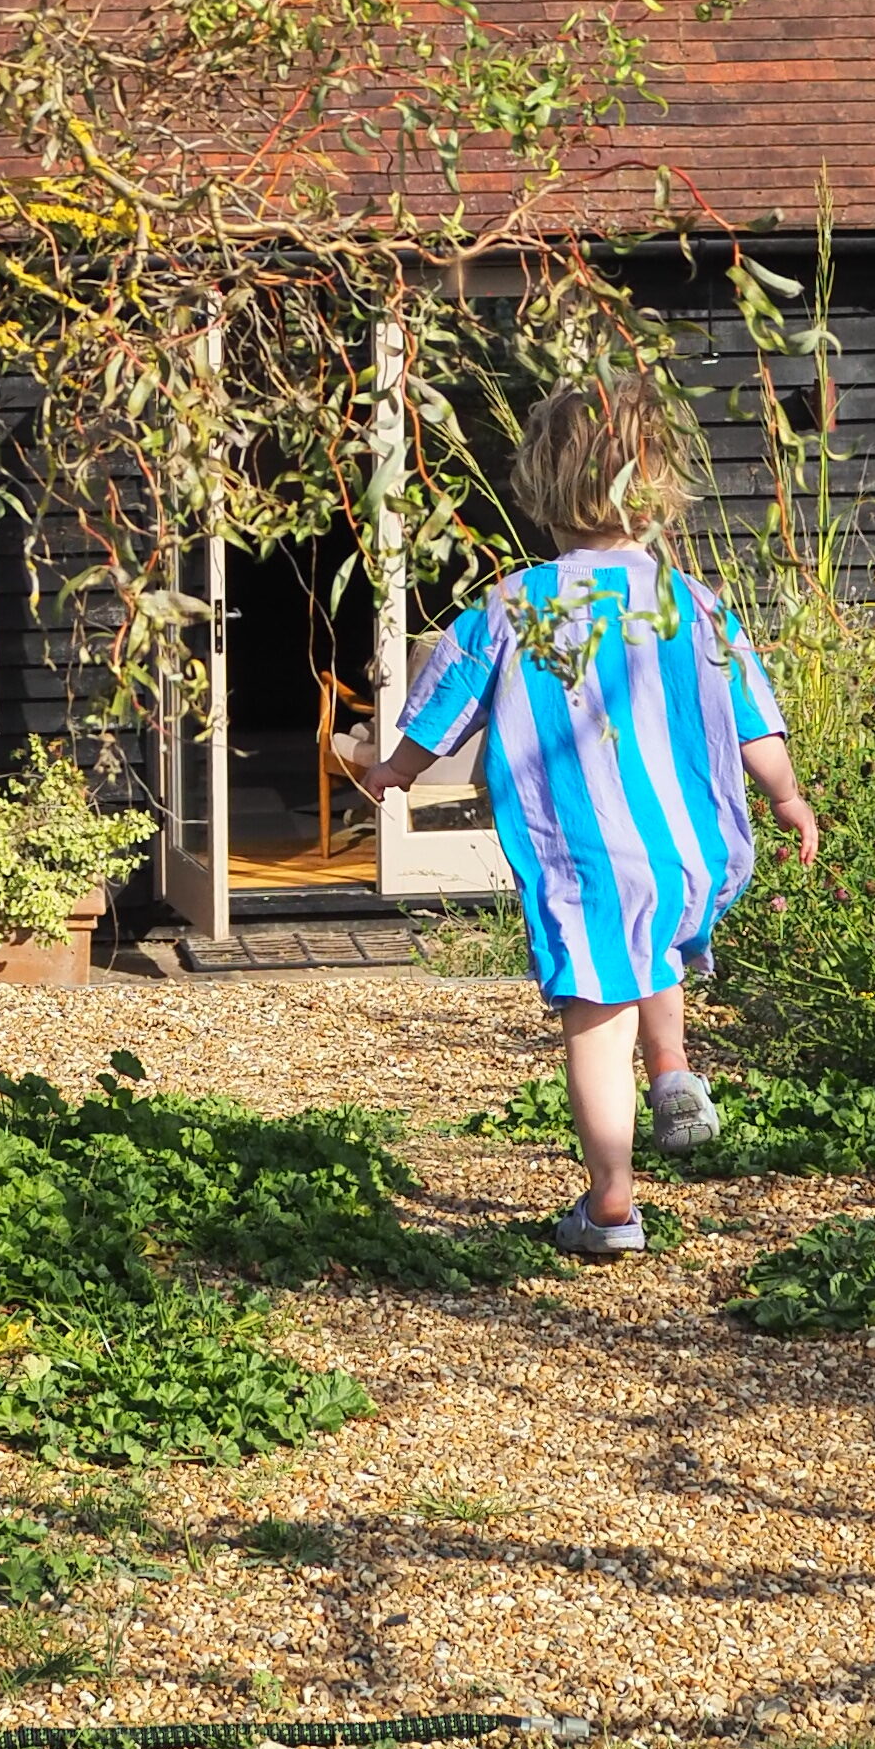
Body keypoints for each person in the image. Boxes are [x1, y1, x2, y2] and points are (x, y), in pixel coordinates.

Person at [333, 376, 821, 1259]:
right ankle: (672, 1069)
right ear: (659, 484)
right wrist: (787, 800)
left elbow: (440, 716)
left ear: (545, 490)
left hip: (582, 856)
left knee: (598, 1020)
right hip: (686, 846)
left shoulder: (517, 607)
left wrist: (389, 773)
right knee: (656, 947)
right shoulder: (691, 600)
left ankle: (610, 1205)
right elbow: (755, 716)